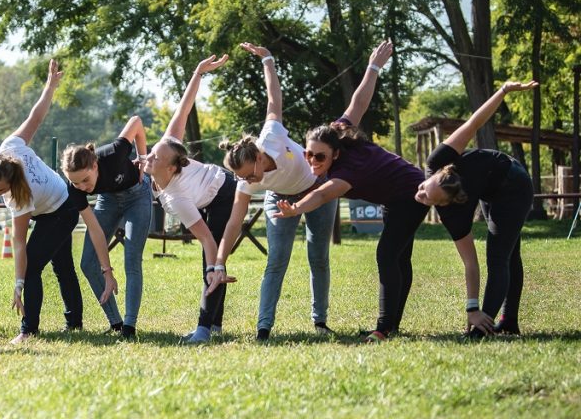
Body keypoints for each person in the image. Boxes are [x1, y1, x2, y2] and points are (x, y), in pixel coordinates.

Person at [274, 40, 429, 343]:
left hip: (411, 192)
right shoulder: (335, 132)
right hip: (392, 195)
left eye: (320, 157)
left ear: (336, 154)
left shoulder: (346, 173)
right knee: (398, 258)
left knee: (388, 255)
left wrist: (295, 209)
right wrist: (373, 67)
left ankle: (383, 329)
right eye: (308, 154)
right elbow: (358, 103)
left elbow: (320, 195)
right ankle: (391, 326)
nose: (312, 162)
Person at [0, 59, 117, 344]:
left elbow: (20, 243)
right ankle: (74, 324)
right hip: (47, 206)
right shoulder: (9, 147)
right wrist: (50, 86)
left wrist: (19, 283)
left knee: (35, 266)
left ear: (11, 184)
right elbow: (35, 117)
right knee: (62, 266)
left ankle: (28, 329)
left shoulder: (20, 197)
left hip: (62, 209)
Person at [208, 43, 338, 342]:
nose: (249, 180)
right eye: (242, 178)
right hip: (279, 198)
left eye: (249, 172)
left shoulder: (272, 137)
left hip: (316, 190)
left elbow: (273, 99)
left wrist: (267, 59)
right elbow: (233, 223)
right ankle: (263, 328)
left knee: (318, 257)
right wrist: (218, 261)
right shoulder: (247, 181)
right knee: (276, 260)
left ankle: (320, 321)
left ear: (257, 156)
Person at [415, 80, 538, 336]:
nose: (421, 194)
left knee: (498, 255)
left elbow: (475, 123)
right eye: (426, 190)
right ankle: (509, 322)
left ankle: (485, 326)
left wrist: (503, 91)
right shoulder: (439, 168)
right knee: (508, 254)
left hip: (514, 185)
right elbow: (470, 262)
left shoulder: (451, 201)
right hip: (488, 187)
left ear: (449, 201)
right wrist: (471, 306)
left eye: (428, 196)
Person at [143, 53, 241, 344]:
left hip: (226, 192)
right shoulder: (166, 151)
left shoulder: (176, 198)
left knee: (210, 262)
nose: (149, 156)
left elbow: (209, 242)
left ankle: (204, 328)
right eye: (151, 152)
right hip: (208, 196)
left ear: (171, 167)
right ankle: (214, 325)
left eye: (154, 157)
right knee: (211, 263)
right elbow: (182, 112)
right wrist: (198, 72)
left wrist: (216, 266)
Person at [61, 115, 151, 339]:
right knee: (88, 263)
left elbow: (137, 122)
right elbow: (95, 230)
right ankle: (116, 324)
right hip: (108, 200)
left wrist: (143, 159)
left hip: (137, 195)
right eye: (75, 183)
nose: (82, 187)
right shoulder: (75, 190)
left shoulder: (114, 153)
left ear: (94, 165)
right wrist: (107, 272)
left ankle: (129, 327)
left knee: (131, 256)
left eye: (85, 179)